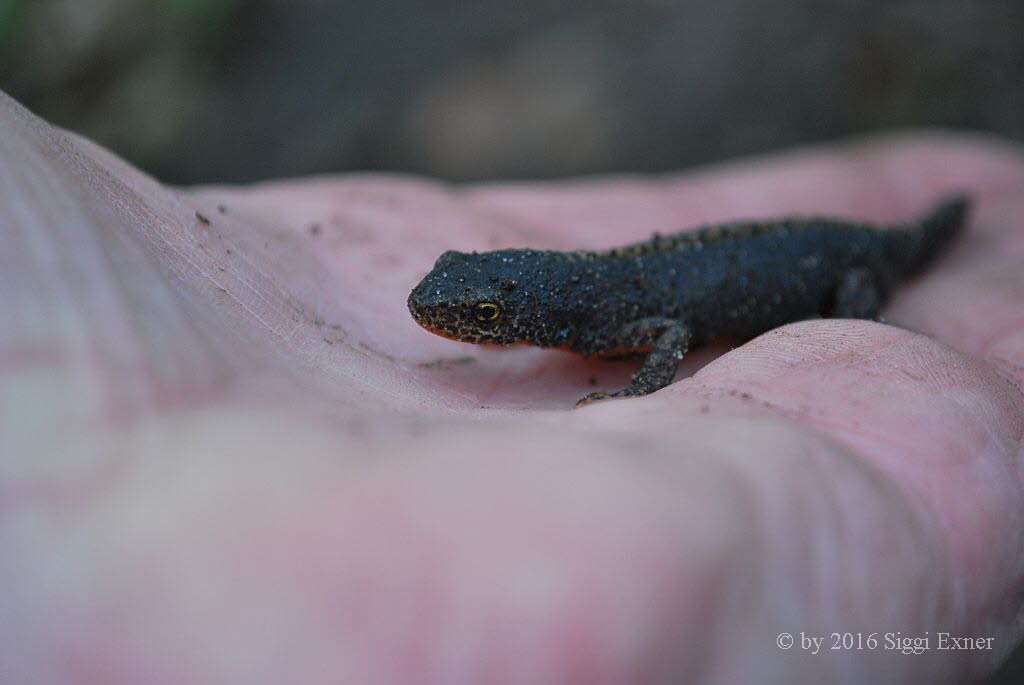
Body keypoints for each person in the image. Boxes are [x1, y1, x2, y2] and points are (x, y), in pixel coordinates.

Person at [3, 89, 1023, 683]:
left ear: (527, 316)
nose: (447, 320)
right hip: (772, 256)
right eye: (468, 314)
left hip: (851, 262)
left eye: (473, 320)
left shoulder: (608, 314)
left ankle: (937, 228)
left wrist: (640, 394)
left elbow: (669, 325)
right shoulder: (576, 302)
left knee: (879, 280)